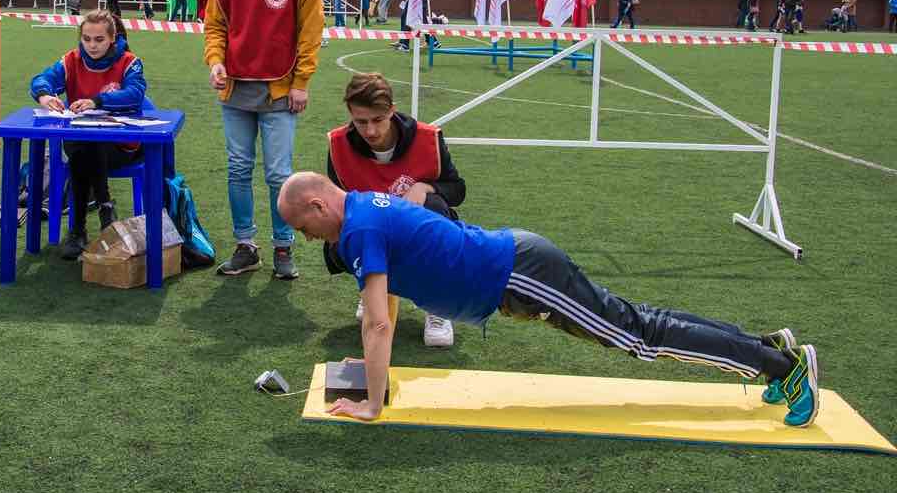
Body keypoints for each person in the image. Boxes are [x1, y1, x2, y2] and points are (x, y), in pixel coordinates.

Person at [278, 172, 821, 429]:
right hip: (517, 266)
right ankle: (766, 349)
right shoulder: (365, 212)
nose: (306, 239)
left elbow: (375, 325)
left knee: (639, 335)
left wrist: (373, 402)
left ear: (317, 202)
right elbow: (387, 302)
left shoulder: (357, 230)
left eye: (303, 226)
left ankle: (782, 366)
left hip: (521, 273)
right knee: (638, 323)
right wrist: (374, 373)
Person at [203, 0, 323, 279]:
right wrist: (216, 61)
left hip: (281, 89)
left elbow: (310, 30)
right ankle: (245, 245)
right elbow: (215, 26)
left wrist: (302, 81)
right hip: (235, 89)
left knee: (278, 174)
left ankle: (283, 247)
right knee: (238, 169)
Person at [327, 73, 466, 347]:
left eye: (378, 120)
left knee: (436, 209)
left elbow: (457, 190)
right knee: (338, 230)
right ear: (350, 115)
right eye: (361, 122)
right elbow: (335, 204)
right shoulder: (339, 145)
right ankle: (372, 291)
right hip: (372, 232)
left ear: (392, 110)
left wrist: (425, 187)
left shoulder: (427, 138)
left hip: (414, 227)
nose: (370, 132)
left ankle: (437, 306)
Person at [30, 10, 147, 260]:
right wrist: (45, 95)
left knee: (86, 148)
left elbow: (135, 94)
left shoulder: (130, 62)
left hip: (122, 147)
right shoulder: (70, 60)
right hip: (82, 145)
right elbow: (41, 79)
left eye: (99, 39)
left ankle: (78, 229)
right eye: (86, 39)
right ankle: (104, 208)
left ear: (112, 39)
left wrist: (96, 101)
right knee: (83, 147)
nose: (92, 45)